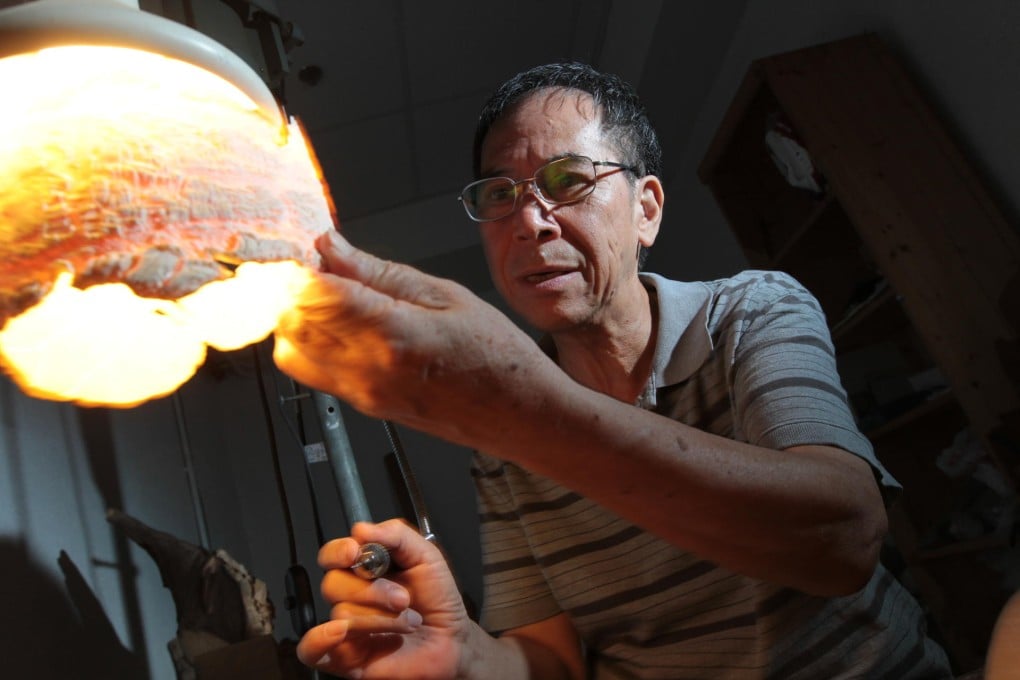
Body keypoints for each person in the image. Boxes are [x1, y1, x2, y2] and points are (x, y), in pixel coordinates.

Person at [272, 62, 953, 678]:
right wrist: (463, 653)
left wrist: (522, 410)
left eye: (568, 181)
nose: (529, 221)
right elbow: (550, 660)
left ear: (646, 210)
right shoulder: (504, 445)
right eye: (499, 195)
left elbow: (842, 538)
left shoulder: (748, 311)